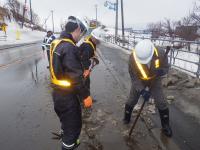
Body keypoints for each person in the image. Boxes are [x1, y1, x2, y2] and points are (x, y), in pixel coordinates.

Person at [50, 16, 92, 150]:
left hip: (58, 93)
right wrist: (86, 95)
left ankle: (67, 136)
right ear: (77, 29)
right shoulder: (69, 47)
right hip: (67, 96)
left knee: (66, 122)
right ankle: (69, 144)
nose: (80, 37)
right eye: (81, 33)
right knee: (73, 127)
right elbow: (75, 77)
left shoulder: (58, 43)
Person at [123, 39, 172, 137]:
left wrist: (162, 71)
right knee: (132, 99)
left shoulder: (161, 52)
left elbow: (166, 67)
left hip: (155, 79)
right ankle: (126, 117)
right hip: (140, 80)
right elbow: (134, 78)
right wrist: (142, 90)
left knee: (161, 101)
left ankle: (165, 125)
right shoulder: (132, 58)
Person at [79, 29, 100, 94]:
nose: (99, 41)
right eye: (98, 40)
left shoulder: (91, 43)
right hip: (81, 67)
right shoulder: (87, 46)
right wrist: (86, 70)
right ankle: (83, 100)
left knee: (86, 82)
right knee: (84, 83)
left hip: (83, 66)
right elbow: (84, 58)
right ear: (93, 37)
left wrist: (94, 58)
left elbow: (89, 54)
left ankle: (87, 97)